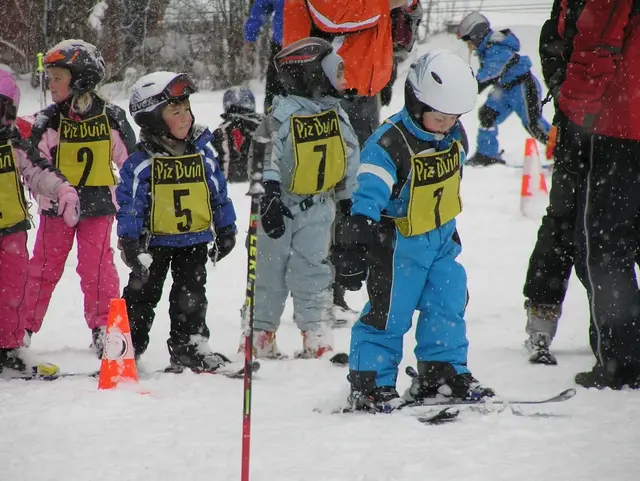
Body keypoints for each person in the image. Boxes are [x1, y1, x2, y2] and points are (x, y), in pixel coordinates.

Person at [344, 50, 495, 412]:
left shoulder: (453, 136)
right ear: (415, 103)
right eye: (438, 117)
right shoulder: (389, 144)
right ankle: (371, 382)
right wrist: (355, 236)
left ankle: (441, 372)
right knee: (389, 313)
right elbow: (369, 189)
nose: (446, 125)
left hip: (441, 240)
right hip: (399, 246)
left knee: (448, 303)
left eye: (453, 118)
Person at [284, 0, 418, 322]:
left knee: (356, 192)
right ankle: (321, 293)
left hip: (361, 90)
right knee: (328, 195)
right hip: (327, 92)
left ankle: (339, 287)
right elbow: (332, 13)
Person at [238, 37, 359, 359]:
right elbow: (265, 155)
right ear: (313, 76)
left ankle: (316, 330)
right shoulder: (282, 117)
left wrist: (348, 199)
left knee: (314, 269)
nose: (343, 79)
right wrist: (270, 195)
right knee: (269, 270)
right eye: (336, 72)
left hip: (319, 206)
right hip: (279, 207)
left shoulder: (336, 115)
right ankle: (259, 333)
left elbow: (349, 155)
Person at [21, 40, 136, 357]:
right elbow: (34, 159)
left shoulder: (111, 118)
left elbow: (130, 164)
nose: (50, 83)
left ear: (81, 78)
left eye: (58, 76)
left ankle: (105, 327)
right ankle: (21, 328)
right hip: (56, 207)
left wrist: (133, 204)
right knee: (42, 268)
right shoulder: (47, 120)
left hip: (99, 207)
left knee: (98, 269)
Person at [117, 71, 238, 372]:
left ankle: (190, 347)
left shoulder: (202, 152)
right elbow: (129, 205)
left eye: (187, 109)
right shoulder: (142, 162)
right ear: (154, 120)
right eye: (175, 112)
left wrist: (226, 228)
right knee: (140, 297)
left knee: (192, 297)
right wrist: (130, 241)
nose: (185, 117)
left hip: (194, 240)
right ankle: (124, 349)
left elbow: (218, 192)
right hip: (153, 244)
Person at [557, 0, 640, 389]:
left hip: (623, 127)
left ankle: (622, 361)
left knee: (608, 248)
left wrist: (575, 118)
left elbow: (597, 46)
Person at [0, 68, 79, 377]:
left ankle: (10, 347)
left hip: (12, 232)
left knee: (13, 291)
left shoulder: (14, 144)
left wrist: (62, 190)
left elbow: (38, 170)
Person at [521, 0, 586, 366]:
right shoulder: (567, 12)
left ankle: (618, 331)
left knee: (613, 234)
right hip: (581, 132)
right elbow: (553, 48)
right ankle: (541, 322)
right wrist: (568, 95)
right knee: (561, 226)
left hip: (619, 133)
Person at [457, 12, 551, 166]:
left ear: (477, 35)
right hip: (505, 89)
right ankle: (486, 154)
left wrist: (468, 91)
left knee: (533, 124)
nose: (469, 46)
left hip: (522, 87)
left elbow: (488, 75)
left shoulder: (497, 48)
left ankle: (565, 151)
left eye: (469, 40)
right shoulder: (488, 48)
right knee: (488, 115)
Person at [212, 87, 263, 183]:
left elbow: (217, 145)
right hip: (260, 178)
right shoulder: (262, 124)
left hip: (230, 178)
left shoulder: (223, 129)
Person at [243, 0, 285, 112]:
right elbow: (261, 8)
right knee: (274, 95)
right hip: (282, 47)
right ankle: (272, 121)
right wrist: (250, 36)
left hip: (318, 46)